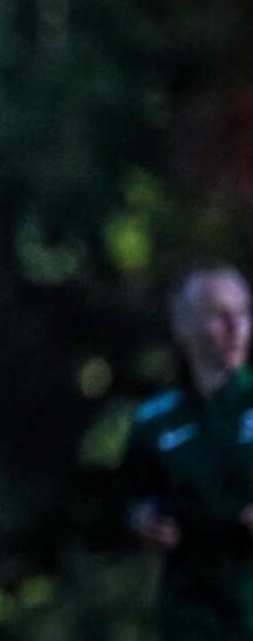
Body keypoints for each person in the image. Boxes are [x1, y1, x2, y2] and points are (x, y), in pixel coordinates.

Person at [124, 264, 253, 639]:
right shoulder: (155, 420)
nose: (235, 326)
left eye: (243, 312)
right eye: (218, 314)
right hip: (190, 616)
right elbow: (128, 502)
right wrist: (141, 519)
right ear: (183, 326)